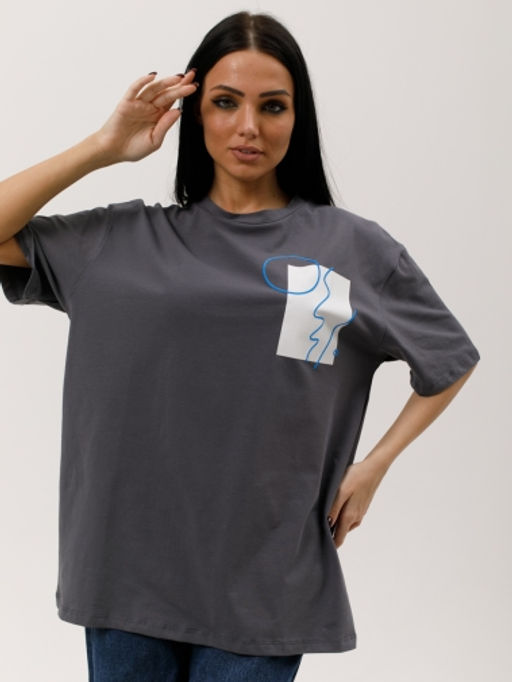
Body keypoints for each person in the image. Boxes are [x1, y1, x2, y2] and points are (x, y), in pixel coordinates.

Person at [0, 10, 480, 682]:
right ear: (195, 114)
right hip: (126, 572)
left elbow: (448, 359)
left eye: (272, 106)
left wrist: (374, 466)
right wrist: (103, 146)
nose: (249, 126)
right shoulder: (119, 244)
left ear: (297, 119)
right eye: (225, 102)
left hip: (268, 576)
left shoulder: (351, 250)